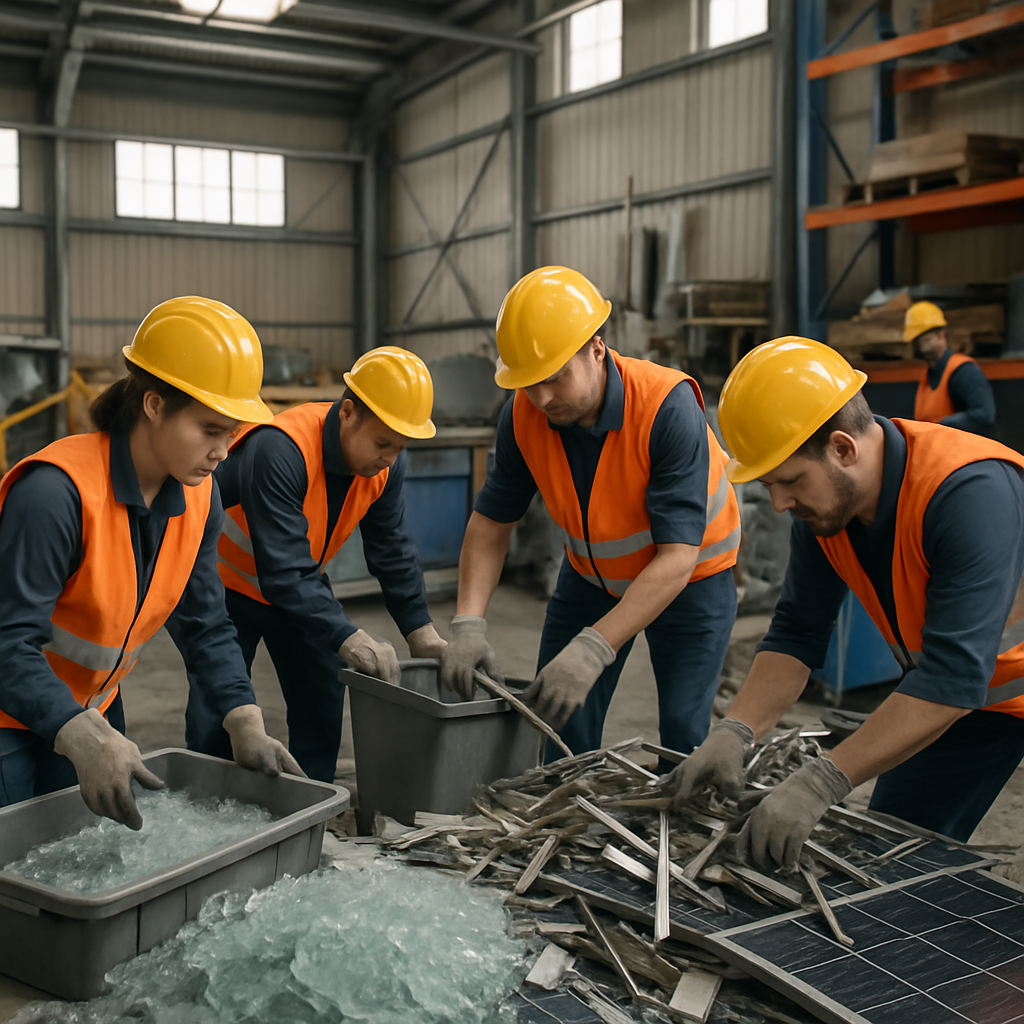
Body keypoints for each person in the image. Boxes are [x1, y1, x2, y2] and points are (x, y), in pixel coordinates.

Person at [668, 336, 1024, 868]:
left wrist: (822, 780)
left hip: (962, 686)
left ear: (843, 448)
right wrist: (735, 730)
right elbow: (797, 631)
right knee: (892, 853)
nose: (779, 503)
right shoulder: (828, 511)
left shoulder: (968, 492)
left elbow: (953, 676)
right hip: (960, 694)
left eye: (789, 480)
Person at [0, 296, 301, 830]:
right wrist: (76, 729)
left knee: (80, 853)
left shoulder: (200, 497)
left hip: (91, 707)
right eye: (210, 429)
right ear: (155, 405)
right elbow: (6, 642)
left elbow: (205, 621)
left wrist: (242, 716)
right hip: (11, 715)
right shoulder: (55, 494)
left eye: (231, 433)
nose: (223, 452)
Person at [440, 266, 741, 765]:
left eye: (555, 377)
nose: (541, 398)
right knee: (556, 724)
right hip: (592, 578)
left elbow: (678, 556)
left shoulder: (666, 407)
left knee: (683, 735)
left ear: (597, 350)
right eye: (529, 383)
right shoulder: (523, 415)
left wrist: (596, 647)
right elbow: (492, 522)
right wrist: (468, 623)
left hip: (692, 579)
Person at [185, 346, 446, 783]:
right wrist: (348, 635)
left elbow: (392, 548)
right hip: (226, 589)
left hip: (297, 588)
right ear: (347, 413)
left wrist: (422, 632)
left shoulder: (386, 468)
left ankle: (311, 799)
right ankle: (211, 803)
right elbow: (284, 570)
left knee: (322, 699)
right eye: (383, 443)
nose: (390, 457)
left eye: (401, 446)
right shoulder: (280, 448)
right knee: (220, 711)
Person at [904, 300, 995, 434]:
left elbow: (984, 415)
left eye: (924, 338)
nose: (919, 344)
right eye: (915, 340)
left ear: (941, 334)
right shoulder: (928, 377)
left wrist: (940, 426)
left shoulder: (963, 370)